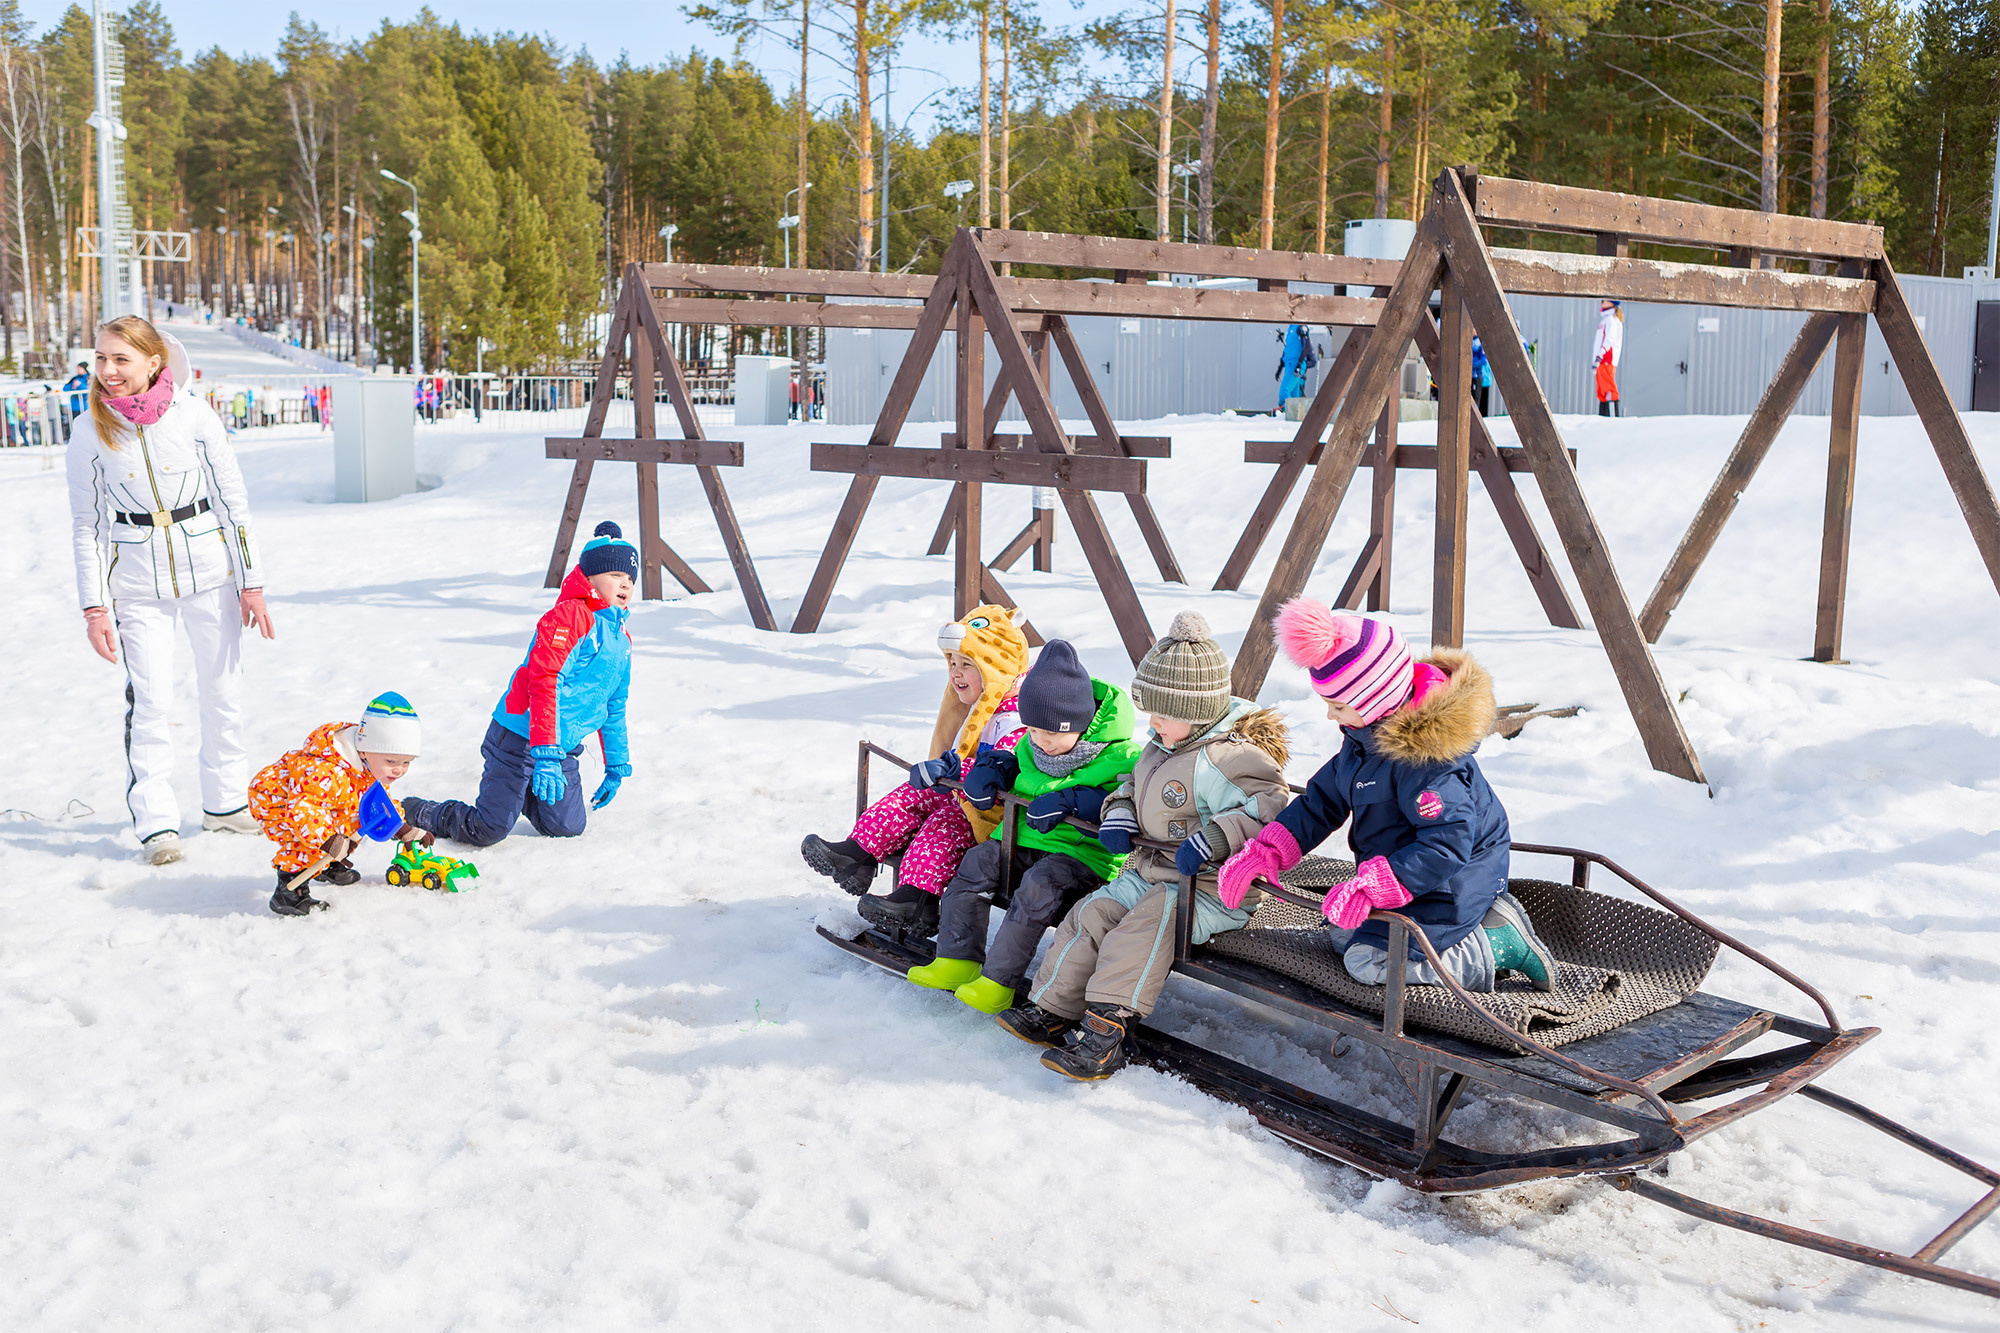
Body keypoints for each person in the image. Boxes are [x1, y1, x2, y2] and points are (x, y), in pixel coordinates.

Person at [1002, 613, 1291, 1079]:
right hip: (1152, 870)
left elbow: (1270, 808)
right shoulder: (1161, 746)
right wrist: (1119, 814)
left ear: (1198, 710)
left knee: (1144, 925)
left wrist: (1217, 836)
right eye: (1150, 710)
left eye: (1163, 712)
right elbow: (1127, 788)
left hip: (1212, 887)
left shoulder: (1230, 756)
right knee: (1093, 911)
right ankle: (1055, 1007)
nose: (1152, 723)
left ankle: (1106, 1031)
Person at [1218, 600, 1555, 996]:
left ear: (1376, 700)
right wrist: (1270, 849)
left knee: (1367, 962)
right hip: (1407, 874)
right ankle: (1482, 926)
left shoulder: (1427, 762)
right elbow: (1321, 802)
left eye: (1338, 706)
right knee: (1343, 933)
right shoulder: (1364, 742)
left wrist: (1378, 885)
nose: (1330, 716)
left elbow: (1447, 844)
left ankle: (1497, 946)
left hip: (1451, 882)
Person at [65, 314, 277, 866]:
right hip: (136, 585)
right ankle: (158, 822)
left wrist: (250, 582)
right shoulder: (91, 428)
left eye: (120, 359)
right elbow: (86, 524)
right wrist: (95, 607)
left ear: (153, 362)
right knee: (151, 702)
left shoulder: (194, 414)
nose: (107, 371)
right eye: (101, 358)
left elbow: (234, 502)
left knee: (223, 692)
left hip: (210, 574)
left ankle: (226, 803)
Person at [904, 639, 1141, 1014]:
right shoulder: (1033, 745)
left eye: (1051, 734)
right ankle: (956, 959)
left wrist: (1076, 800)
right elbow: (1012, 760)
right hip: (1018, 841)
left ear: (1079, 724)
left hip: (1080, 857)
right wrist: (990, 771)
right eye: (1033, 732)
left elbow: (1130, 802)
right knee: (976, 863)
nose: (1041, 743)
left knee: (1038, 887)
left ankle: (997, 981)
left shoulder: (1123, 757)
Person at [401, 521, 634, 847]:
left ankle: (521, 791)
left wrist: (617, 765)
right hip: (518, 738)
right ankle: (425, 812)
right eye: (615, 576)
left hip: (560, 747)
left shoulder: (621, 639)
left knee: (568, 826)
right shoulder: (569, 617)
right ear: (590, 577)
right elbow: (545, 682)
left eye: (629, 579)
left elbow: (614, 704)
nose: (625, 584)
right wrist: (545, 756)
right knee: (489, 829)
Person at [801, 604, 1030, 925]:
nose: (955, 673)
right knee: (915, 793)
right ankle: (858, 853)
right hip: (969, 796)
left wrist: (951, 771)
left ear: (996, 670)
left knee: (942, 826)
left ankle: (917, 899)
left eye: (967, 664)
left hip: (997, 818)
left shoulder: (1017, 719)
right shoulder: (985, 707)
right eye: (952, 663)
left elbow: (1000, 772)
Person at [250, 692, 431, 916]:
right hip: (277, 803)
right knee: (310, 838)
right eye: (391, 761)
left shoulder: (370, 765)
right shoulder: (326, 771)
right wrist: (329, 841)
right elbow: (305, 811)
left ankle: (327, 865)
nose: (399, 769)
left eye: (407, 762)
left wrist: (403, 830)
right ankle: (288, 892)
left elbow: (379, 803)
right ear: (365, 750)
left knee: (356, 815)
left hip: (313, 804)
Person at [1593, 298, 1624, 417]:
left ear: (1612, 303)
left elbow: (1609, 339)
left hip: (1607, 358)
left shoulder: (1612, 320)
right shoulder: (1605, 320)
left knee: (1609, 387)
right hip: (1601, 359)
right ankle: (1603, 415)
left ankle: (1613, 417)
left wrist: (1601, 355)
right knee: (1601, 389)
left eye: (1603, 300)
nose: (1601, 303)